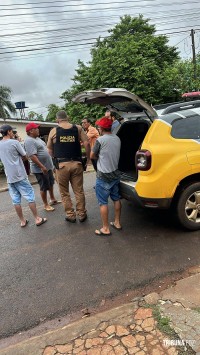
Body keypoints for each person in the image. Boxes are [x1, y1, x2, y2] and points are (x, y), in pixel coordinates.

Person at [47, 110, 90, 223]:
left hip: (61, 166)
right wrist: (88, 158)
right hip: (77, 164)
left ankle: (70, 215)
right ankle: (82, 214)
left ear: (57, 120)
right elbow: (87, 143)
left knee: (64, 192)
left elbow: (49, 150)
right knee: (79, 191)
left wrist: (55, 160)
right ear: (68, 117)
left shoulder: (54, 131)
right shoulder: (78, 128)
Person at [0, 124, 47, 227]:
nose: (13, 133)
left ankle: (22, 221)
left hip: (9, 177)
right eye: (12, 131)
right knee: (30, 197)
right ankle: (37, 219)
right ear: (8, 132)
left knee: (16, 200)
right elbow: (25, 156)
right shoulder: (15, 142)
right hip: (20, 175)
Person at [90, 117, 122, 236]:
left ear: (102, 128)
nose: (98, 127)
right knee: (116, 199)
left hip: (103, 176)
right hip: (115, 174)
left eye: (99, 126)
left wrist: (100, 157)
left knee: (103, 203)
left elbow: (92, 155)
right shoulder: (117, 138)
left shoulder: (100, 140)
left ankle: (105, 228)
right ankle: (117, 223)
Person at [24, 122, 61, 212]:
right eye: (36, 128)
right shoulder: (29, 140)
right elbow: (32, 156)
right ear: (31, 131)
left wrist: (50, 165)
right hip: (40, 169)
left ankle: (52, 199)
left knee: (51, 183)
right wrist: (42, 167)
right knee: (44, 186)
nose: (38, 130)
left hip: (47, 166)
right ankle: (45, 204)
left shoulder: (38, 139)